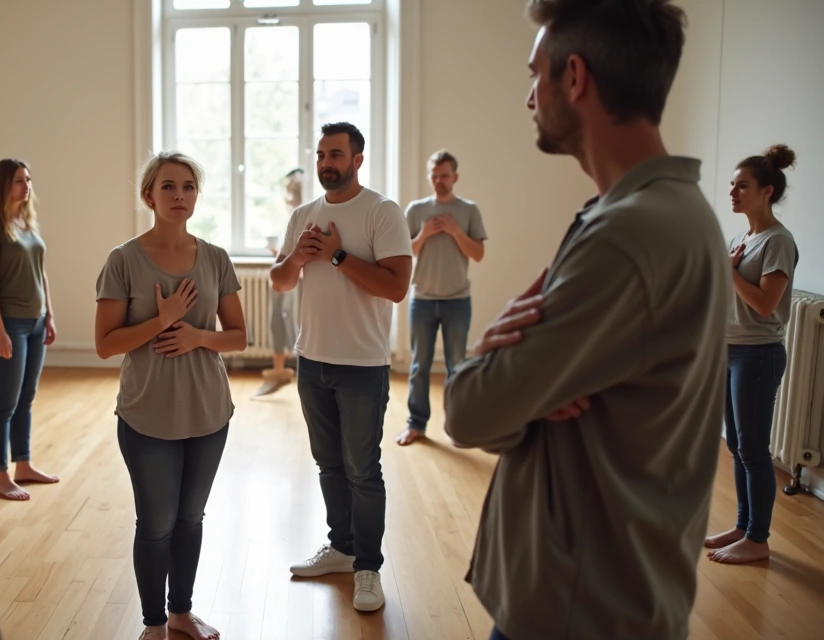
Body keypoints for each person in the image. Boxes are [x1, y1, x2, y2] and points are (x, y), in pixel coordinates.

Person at [443, 2, 729, 639]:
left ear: (574, 77)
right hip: (605, 593)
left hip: (582, 610)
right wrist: (525, 396)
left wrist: (486, 357)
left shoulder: (629, 235)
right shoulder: (670, 211)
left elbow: (469, 412)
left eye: (535, 75)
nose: (529, 98)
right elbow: (504, 417)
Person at [94, 151, 246, 640]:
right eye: (168, 187)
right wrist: (161, 321)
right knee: (157, 524)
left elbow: (239, 337)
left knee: (190, 519)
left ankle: (181, 613)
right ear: (149, 196)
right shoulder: (123, 260)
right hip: (147, 414)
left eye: (188, 187)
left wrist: (197, 336)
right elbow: (104, 345)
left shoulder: (216, 258)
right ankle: (154, 624)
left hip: (208, 411)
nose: (180, 195)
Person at [271, 122, 412, 613]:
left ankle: (368, 566)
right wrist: (298, 257)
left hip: (362, 366)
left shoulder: (382, 211)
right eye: (320, 154)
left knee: (362, 471)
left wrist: (335, 256)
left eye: (335, 154)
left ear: (357, 159)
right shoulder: (304, 215)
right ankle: (342, 547)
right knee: (329, 465)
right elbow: (280, 280)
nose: (325, 163)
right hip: (312, 361)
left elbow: (396, 287)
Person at [705, 144, 799, 565]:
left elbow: (764, 305)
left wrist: (728, 272)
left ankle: (758, 540)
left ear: (766, 191)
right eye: (732, 185)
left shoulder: (777, 241)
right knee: (737, 447)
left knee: (754, 450)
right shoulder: (741, 238)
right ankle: (744, 527)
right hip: (732, 351)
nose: (732, 192)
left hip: (758, 356)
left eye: (742, 185)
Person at [0, 158, 59, 501]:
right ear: (3, 185)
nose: (26, 186)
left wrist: (49, 315)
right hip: (9, 323)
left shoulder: (26, 222)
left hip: (36, 322)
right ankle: (1, 476)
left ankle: (23, 465)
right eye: (18, 180)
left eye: (28, 179)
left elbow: (41, 273)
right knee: (5, 401)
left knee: (26, 398)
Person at [397, 149, 487, 446]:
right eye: (434, 176)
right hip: (422, 299)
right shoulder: (416, 210)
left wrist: (456, 231)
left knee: (457, 367)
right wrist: (423, 234)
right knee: (419, 366)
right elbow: (404, 252)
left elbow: (478, 254)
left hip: (457, 300)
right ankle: (416, 424)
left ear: (455, 177)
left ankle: (458, 427)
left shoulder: (469, 210)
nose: (438, 181)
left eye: (444, 176)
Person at [255, 168, 304, 397]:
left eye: (290, 188)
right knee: (277, 320)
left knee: (291, 322)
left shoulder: (303, 215)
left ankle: (297, 370)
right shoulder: (291, 217)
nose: (287, 192)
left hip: (295, 278)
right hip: (282, 275)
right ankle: (278, 370)